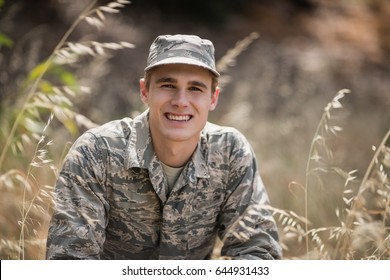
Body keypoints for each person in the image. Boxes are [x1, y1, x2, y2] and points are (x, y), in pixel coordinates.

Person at [45, 34, 282, 260]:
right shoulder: (96, 152)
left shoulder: (230, 152)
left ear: (213, 98)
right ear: (145, 91)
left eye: (195, 88)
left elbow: (258, 252)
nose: (180, 101)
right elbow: (70, 261)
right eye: (168, 85)